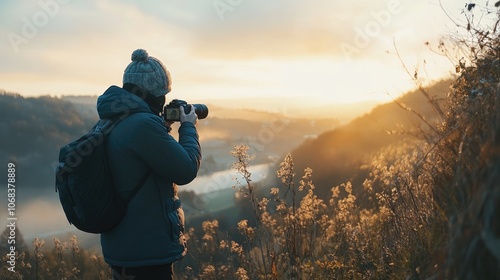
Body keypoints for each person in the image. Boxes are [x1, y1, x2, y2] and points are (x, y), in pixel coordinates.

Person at [97, 49, 201, 280]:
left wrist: (161, 126)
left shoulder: (111, 120)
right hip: (146, 253)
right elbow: (186, 169)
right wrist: (188, 126)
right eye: (162, 93)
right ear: (153, 94)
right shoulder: (142, 126)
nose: (164, 99)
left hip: (122, 249)